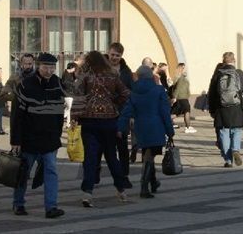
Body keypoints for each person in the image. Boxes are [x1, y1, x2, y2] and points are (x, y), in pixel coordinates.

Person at [10, 52, 66, 218]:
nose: (49, 70)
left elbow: (59, 111)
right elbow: (16, 115)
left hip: (50, 138)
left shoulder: (57, 83)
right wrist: (15, 140)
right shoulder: (26, 84)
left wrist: (58, 133)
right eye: (46, 67)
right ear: (38, 66)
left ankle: (51, 207)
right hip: (29, 138)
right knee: (23, 172)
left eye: (52, 67)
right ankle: (18, 203)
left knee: (51, 171)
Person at [73, 50, 131, 206]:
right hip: (109, 121)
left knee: (90, 158)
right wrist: (114, 103)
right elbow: (126, 93)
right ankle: (121, 190)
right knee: (112, 156)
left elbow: (77, 97)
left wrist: (74, 117)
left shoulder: (85, 76)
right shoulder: (112, 75)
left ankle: (87, 193)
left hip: (89, 121)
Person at [119, 65, 175, 198]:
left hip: (140, 127)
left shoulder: (134, 92)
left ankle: (154, 182)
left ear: (138, 76)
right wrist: (170, 131)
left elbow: (126, 112)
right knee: (149, 156)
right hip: (156, 127)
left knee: (148, 154)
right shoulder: (159, 90)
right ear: (151, 76)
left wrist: (120, 127)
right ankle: (144, 187)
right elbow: (165, 112)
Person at [208, 51, 243, 168]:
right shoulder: (239, 73)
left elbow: (211, 93)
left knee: (224, 132)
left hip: (221, 108)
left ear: (223, 61)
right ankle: (236, 149)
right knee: (237, 130)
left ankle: (228, 160)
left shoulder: (218, 74)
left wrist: (212, 110)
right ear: (234, 60)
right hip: (237, 107)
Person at [107, 42, 134, 175]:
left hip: (122, 113)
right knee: (104, 146)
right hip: (104, 113)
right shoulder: (101, 68)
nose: (114, 57)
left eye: (117, 55)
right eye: (112, 54)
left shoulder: (126, 72)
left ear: (121, 56)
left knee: (122, 145)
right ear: (108, 53)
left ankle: (124, 174)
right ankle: (97, 173)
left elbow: (131, 92)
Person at [169, 62, 196, 133]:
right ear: (180, 69)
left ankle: (164, 120)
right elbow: (178, 88)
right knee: (186, 111)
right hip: (182, 98)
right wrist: (174, 97)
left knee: (178, 112)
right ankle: (188, 127)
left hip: (182, 97)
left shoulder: (181, 77)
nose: (185, 69)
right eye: (183, 68)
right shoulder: (181, 77)